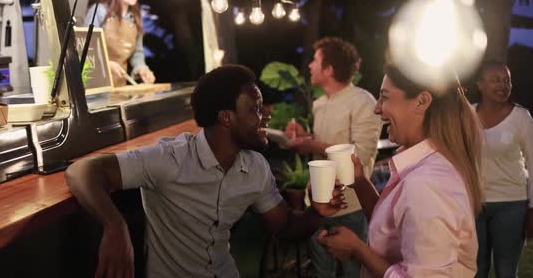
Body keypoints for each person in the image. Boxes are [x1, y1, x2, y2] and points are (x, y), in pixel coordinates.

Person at [65, 64, 346, 278]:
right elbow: (81, 170)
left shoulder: (255, 167)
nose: (266, 115)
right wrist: (115, 226)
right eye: (256, 109)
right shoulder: (170, 158)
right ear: (226, 117)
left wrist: (316, 212)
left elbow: (284, 226)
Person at [316, 64, 483, 277]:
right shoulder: (425, 164)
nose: (377, 109)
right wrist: (359, 181)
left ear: (422, 101)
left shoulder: (428, 184)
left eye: (384, 97)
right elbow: (396, 227)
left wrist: (358, 250)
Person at [285, 36, 381, 278]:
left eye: (315, 61)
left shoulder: (363, 101)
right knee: (321, 272)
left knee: (354, 272)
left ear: (329, 69)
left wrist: (313, 143)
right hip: (317, 201)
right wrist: (303, 136)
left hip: (350, 204)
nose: (309, 66)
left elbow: (361, 154)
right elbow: (322, 146)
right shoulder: (319, 104)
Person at [473, 62, 533, 277]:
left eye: (507, 80)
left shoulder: (522, 118)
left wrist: (532, 209)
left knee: (506, 271)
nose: (503, 85)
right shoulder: (466, 115)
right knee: (475, 270)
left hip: (512, 205)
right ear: (480, 84)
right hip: (474, 204)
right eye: (495, 80)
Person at [84, 0, 155, 86]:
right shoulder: (99, 11)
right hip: (95, 83)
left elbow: (137, 52)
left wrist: (142, 68)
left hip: (119, 84)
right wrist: (106, 64)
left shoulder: (135, 17)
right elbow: (85, 49)